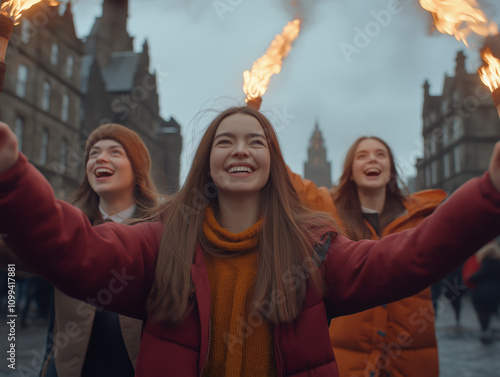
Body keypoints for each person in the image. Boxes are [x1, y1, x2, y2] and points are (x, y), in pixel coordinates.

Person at [1, 107, 500, 377]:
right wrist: (12, 176)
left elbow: (409, 257)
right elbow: (76, 253)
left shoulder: (316, 248)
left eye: (255, 140)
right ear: (207, 163)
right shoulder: (157, 243)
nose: (240, 148)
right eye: (225, 140)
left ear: (272, 163)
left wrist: (489, 193)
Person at [289, 136, 445, 377]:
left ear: (391, 170)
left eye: (380, 154)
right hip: (349, 364)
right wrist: (254, 111)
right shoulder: (329, 211)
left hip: (411, 362)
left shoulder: (421, 218)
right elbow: (288, 181)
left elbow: (463, 223)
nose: (372, 158)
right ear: (350, 172)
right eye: (362, 155)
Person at [39, 123, 159, 377]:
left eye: (115, 152)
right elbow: (55, 326)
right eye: (93, 153)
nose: (100, 158)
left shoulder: (163, 232)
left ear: (137, 168)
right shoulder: (69, 230)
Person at [463, 238, 500, 344]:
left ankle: (485, 332)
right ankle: (490, 330)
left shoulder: (486, 262)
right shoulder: (497, 263)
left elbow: (477, 276)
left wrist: (470, 277)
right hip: (496, 293)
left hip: (481, 293)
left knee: (483, 314)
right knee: (492, 311)